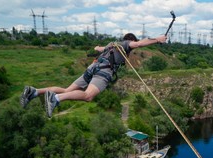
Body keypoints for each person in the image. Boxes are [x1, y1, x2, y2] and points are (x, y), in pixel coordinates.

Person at [21, 33, 167, 117]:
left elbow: (98, 48)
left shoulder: (112, 44)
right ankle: (56, 99)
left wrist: (97, 47)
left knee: (67, 90)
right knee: (88, 96)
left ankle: (33, 92)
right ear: (131, 40)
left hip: (92, 67)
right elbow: (140, 44)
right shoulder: (127, 44)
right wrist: (157, 39)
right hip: (103, 72)